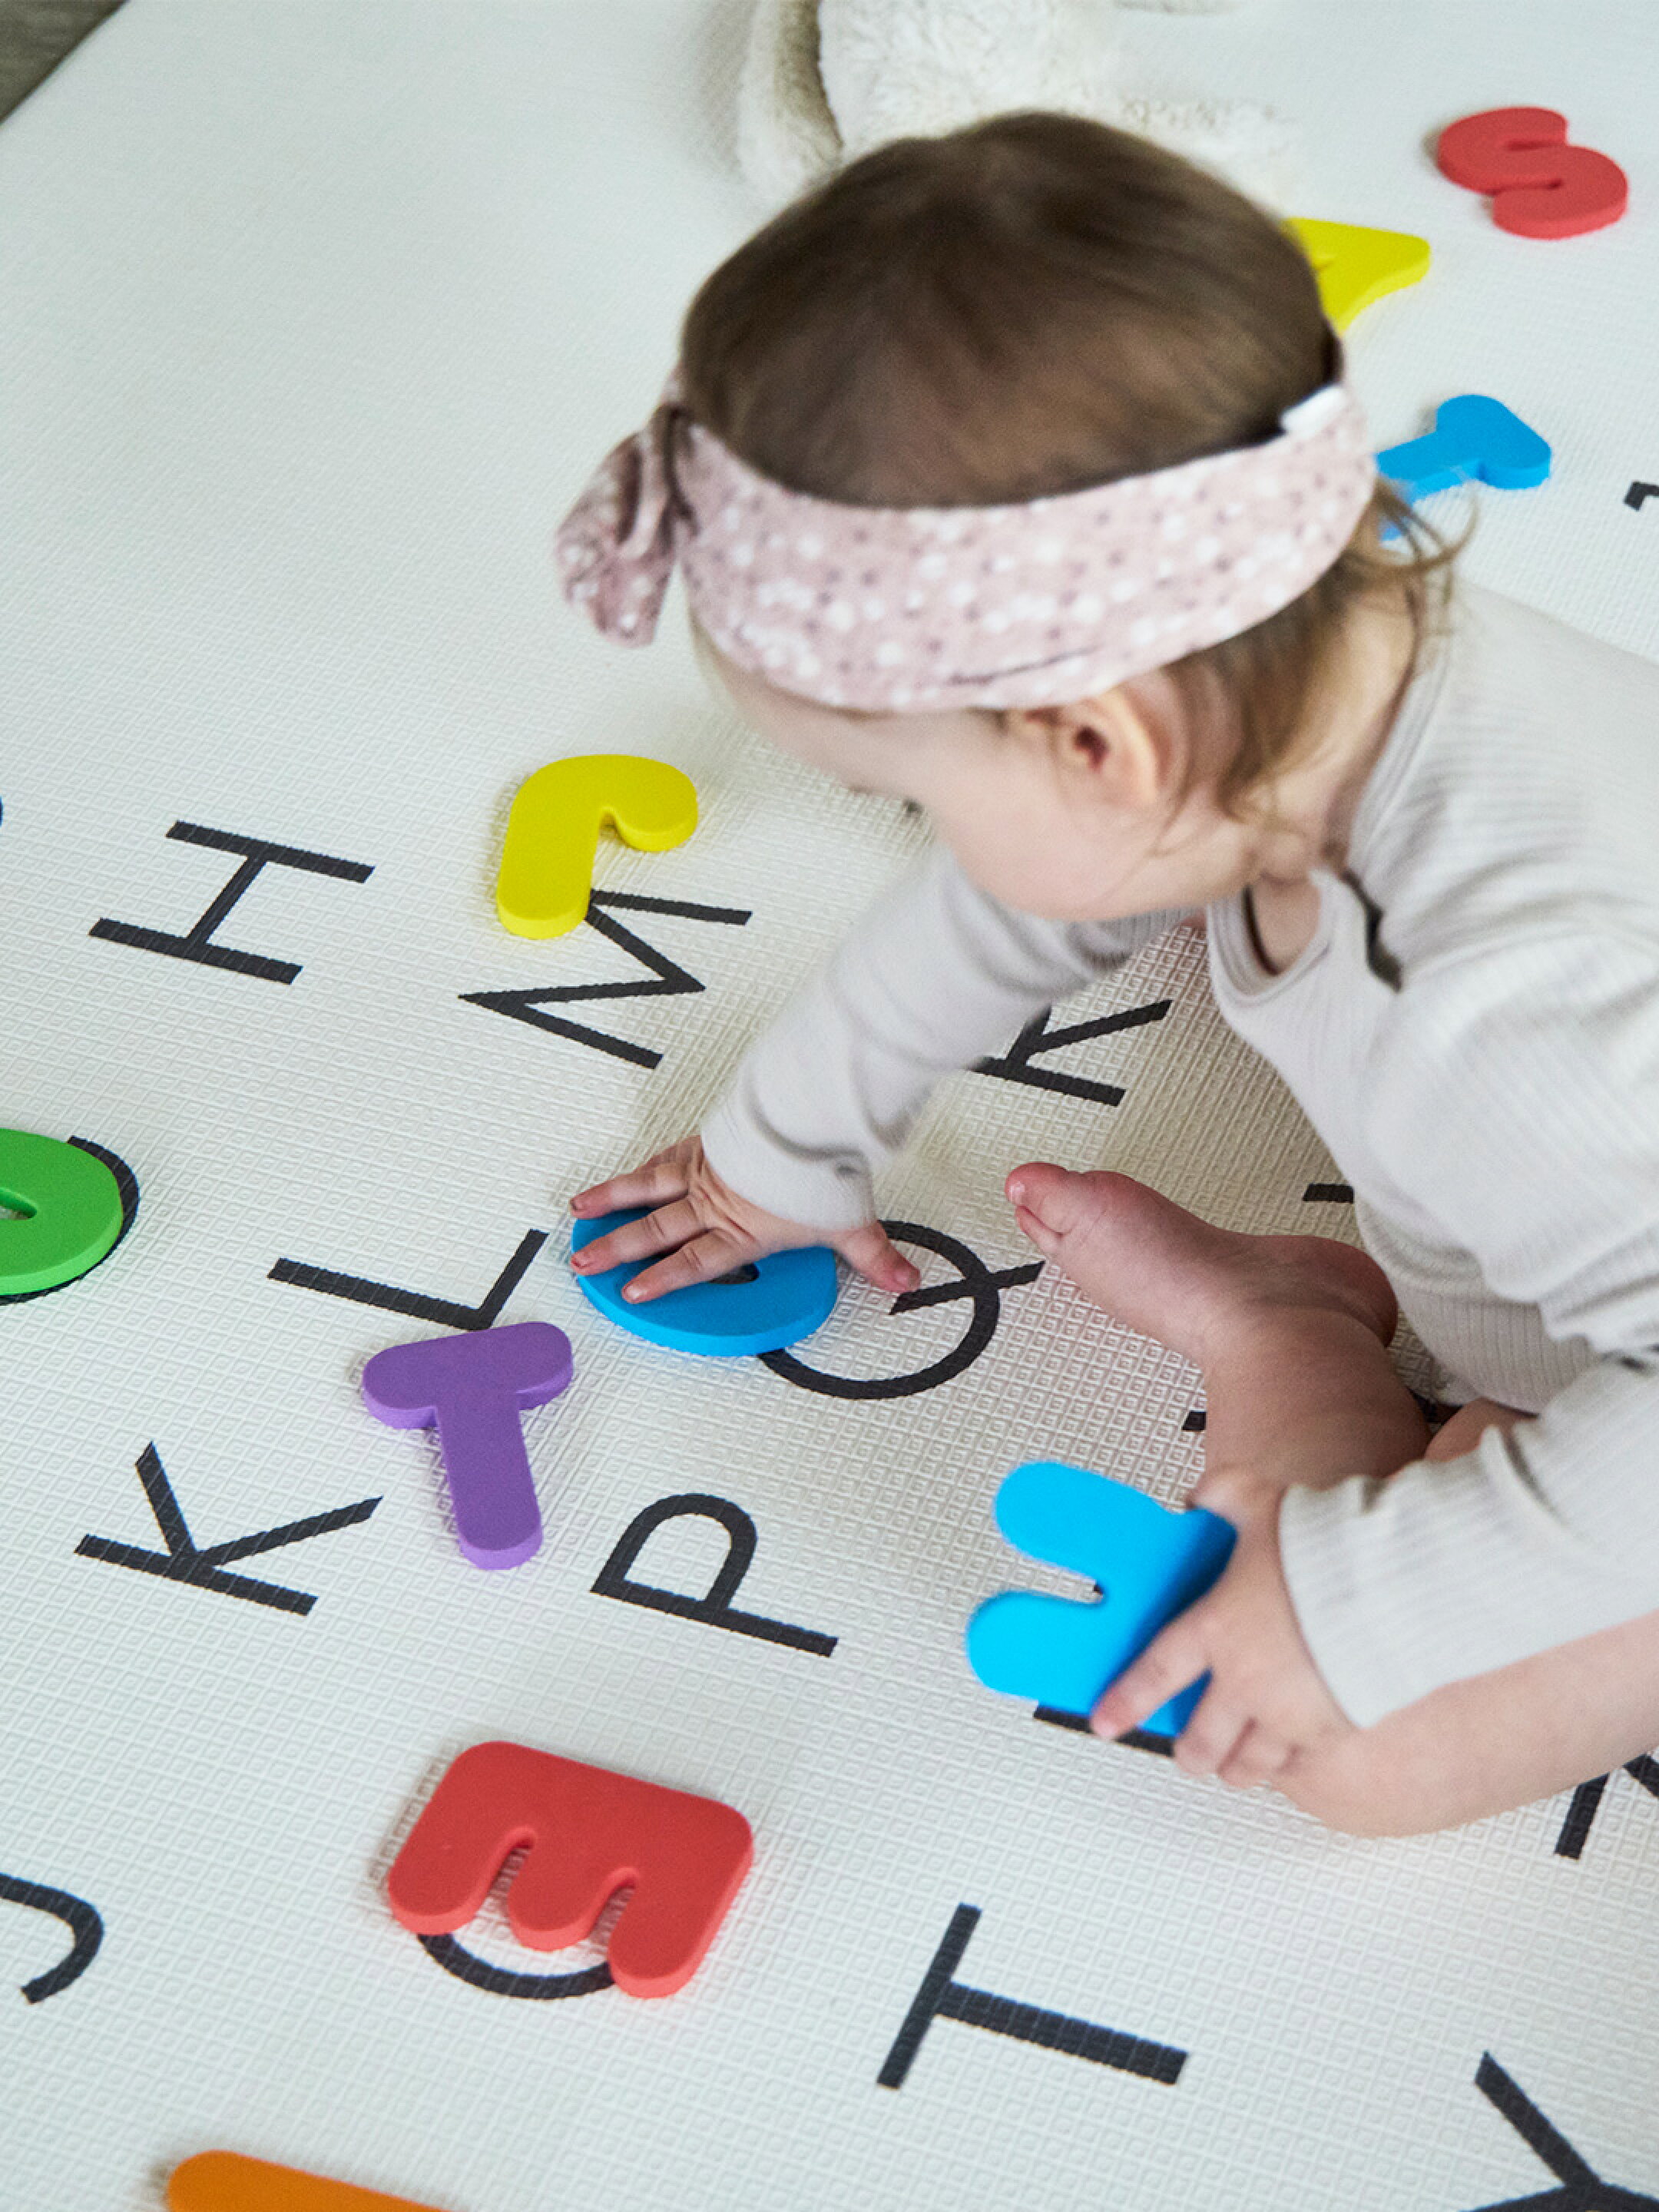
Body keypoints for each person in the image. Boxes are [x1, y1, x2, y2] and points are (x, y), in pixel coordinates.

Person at [553, 113, 1659, 1838]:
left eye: (923, 797)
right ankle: (1306, 1334)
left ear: (1102, 742)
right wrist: (781, 1147)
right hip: (1580, 1212)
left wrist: (1368, 1604)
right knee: (1133, 892)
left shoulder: (1504, 1011)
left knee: (1363, 1761)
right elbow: (1020, 902)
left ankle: (1290, 1342)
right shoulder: (1314, 690)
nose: (937, 844)